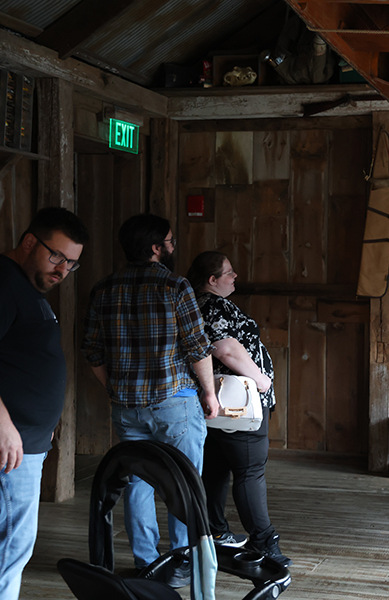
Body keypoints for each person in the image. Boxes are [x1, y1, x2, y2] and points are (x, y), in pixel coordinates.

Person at [81, 213, 219, 588]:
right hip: (174, 401)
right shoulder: (176, 287)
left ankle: (147, 565)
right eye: (170, 241)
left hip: (126, 406)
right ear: (157, 248)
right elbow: (196, 347)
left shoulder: (103, 289)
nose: (174, 246)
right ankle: (183, 561)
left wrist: (117, 387)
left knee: (138, 484)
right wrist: (208, 393)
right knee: (184, 482)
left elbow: (92, 352)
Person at [0, 207, 88, 600]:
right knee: (4, 553)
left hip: (13, 443)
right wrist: (1, 422)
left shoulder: (22, 286)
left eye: (72, 263)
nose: (62, 270)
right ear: (30, 242)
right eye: (57, 256)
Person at [186, 251, 291, 568]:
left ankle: (216, 532)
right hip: (238, 404)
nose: (234, 277)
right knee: (250, 470)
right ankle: (263, 541)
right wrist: (261, 380)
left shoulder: (196, 304)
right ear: (212, 280)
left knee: (217, 467)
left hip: (214, 402)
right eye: (228, 273)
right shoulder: (213, 304)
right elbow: (225, 348)